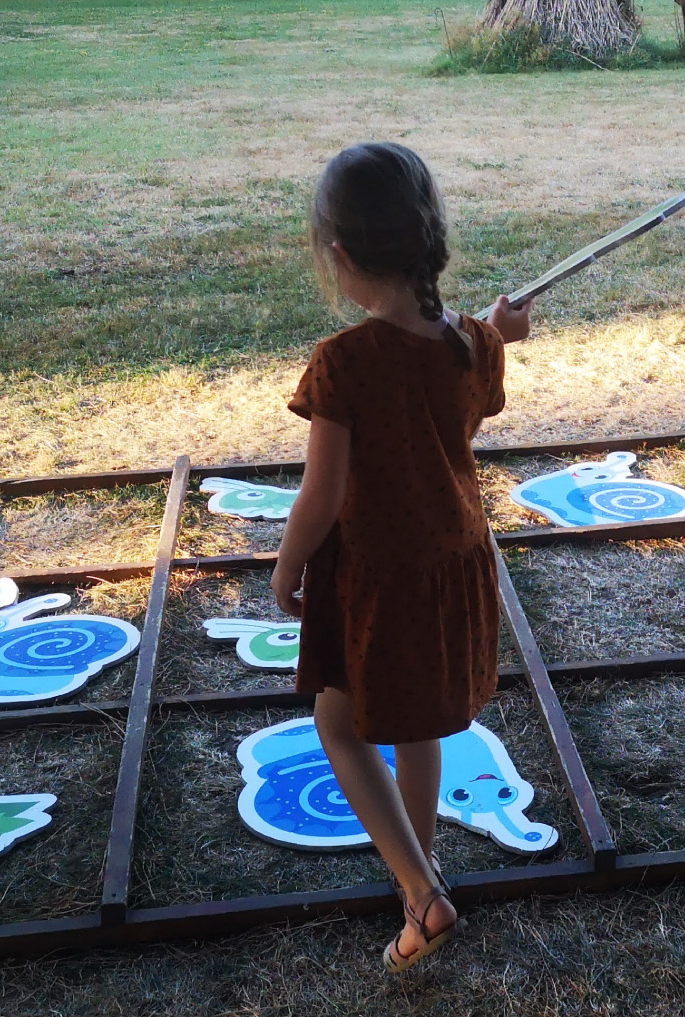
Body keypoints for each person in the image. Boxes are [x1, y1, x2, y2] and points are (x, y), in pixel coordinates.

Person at [270, 142, 532, 973]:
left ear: (342, 256)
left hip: (379, 573)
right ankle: (416, 873)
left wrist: (284, 567)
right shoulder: (475, 345)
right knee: (420, 725)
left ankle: (421, 891)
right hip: (454, 558)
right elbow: (454, 420)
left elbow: (320, 494)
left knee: (337, 725)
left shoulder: (343, 362)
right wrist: (496, 332)